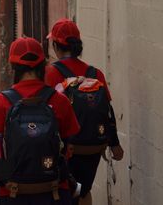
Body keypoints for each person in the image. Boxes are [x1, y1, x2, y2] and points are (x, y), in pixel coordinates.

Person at [0, 37, 80, 205]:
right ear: (43, 65)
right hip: (53, 191)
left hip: (12, 192)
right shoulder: (59, 100)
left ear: (13, 67)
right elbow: (70, 145)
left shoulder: (1, 101)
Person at [45, 18, 124, 205]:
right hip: (93, 147)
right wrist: (114, 144)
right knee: (84, 190)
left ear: (55, 45)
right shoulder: (95, 74)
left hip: (66, 148)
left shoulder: (50, 73)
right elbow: (107, 111)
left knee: (64, 192)